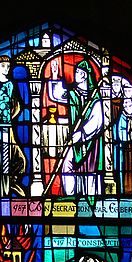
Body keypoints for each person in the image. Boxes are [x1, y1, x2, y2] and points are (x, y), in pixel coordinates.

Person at [47, 58, 105, 195]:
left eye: (78, 72)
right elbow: (56, 95)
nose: (75, 75)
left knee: (90, 169)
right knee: (67, 165)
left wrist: (82, 133)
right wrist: (55, 76)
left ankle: (90, 197)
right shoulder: (73, 93)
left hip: (91, 140)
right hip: (76, 139)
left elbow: (97, 120)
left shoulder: (96, 97)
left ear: (84, 75)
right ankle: (71, 195)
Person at [0, 55, 26, 196]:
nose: (6, 69)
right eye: (3, 66)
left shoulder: (10, 84)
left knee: (18, 159)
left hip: (7, 127)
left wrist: (10, 112)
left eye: (8, 66)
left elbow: (16, 105)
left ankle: (11, 183)